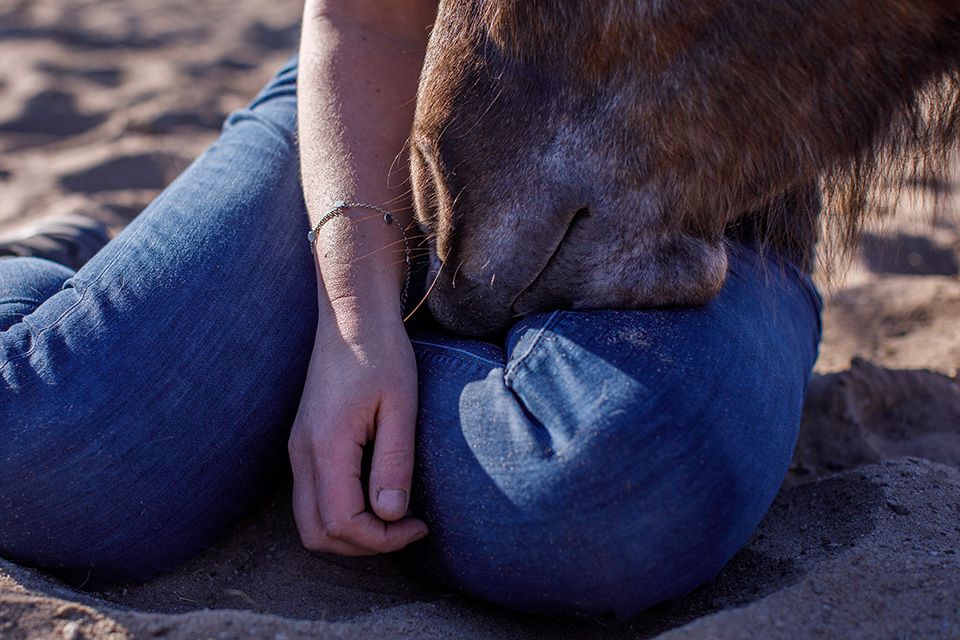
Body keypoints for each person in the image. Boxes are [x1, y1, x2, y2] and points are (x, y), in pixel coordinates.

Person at [0, 0, 821, 620]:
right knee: (42, 455)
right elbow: (365, 15)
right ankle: (130, 289)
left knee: (604, 500)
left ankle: (245, 387)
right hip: (397, 92)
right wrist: (355, 326)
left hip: (706, 177)